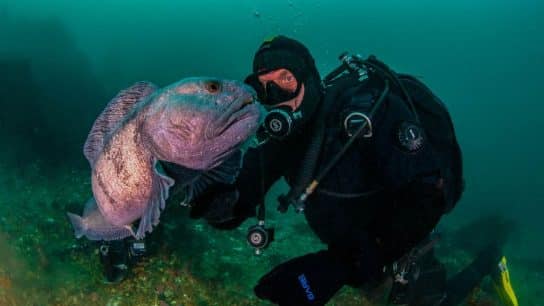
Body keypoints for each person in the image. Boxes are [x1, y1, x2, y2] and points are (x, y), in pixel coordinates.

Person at [98, 35, 518, 306]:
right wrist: (202, 192)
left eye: (286, 80)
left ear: (310, 80)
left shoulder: (364, 116)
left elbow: (430, 194)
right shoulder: (289, 138)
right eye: (266, 86)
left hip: (396, 244)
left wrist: (339, 265)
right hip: (348, 252)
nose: (277, 94)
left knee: (436, 301)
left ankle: (488, 257)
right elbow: (242, 193)